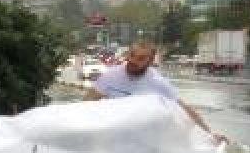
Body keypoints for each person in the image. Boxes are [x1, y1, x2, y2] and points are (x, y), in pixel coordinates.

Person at [85, 40, 225, 143]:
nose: (133, 60)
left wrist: (210, 135)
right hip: (114, 139)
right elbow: (86, 103)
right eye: (132, 55)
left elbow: (185, 110)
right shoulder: (110, 76)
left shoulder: (158, 83)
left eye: (140, 58)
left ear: (150, 61)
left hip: (143, 143)